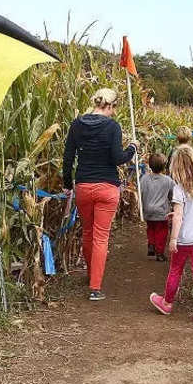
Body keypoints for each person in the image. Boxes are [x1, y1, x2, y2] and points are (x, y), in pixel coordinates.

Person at [62, 88, 139, 301]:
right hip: (107, 188)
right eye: (115, 108)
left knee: (87, 232)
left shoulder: (77, 124)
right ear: (110, 105)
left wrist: (68, 184)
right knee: (101, 237)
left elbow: (68, 158)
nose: (115, 113)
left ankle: (90, 274)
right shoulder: (112, 127)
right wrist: (132, 148)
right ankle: (95, 287)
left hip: (84, 186)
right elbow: (117, 158)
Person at [149, 144, 193, 325]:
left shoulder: (179, 189)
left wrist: (173, 240)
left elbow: (179, 216)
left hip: (184, 239)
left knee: (175, 270)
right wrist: (181, 214)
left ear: (177, 166)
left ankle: (166, 303)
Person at [140, 153, 174, 261]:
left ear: (150, 165)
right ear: (164, 166)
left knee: (151, 228)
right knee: (162, 231)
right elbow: (172, 195)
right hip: (161, 211)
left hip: (148, 210)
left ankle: (151, 244)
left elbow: (141, 192)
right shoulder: (168, 180)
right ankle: (159, 253)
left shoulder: (144, 178)